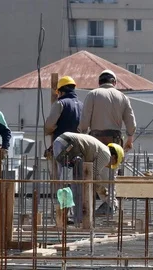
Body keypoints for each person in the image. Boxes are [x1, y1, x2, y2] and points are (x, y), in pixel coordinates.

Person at [78, 69, 136, 214]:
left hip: (96, 140)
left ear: (99, 82)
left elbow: (84, 122)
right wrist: (130, 138)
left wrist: (81, 136)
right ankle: (110, 203)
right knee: (111, 173)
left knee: (94, 172)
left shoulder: (93, 94)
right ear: (114, 82)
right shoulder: (122, 97)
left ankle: (108, 203)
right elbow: (131, 123)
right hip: (115, 141)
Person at [52, 132, 124, 214]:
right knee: (72, 182)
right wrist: (102, 190)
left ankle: (63, 215)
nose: (109, 166)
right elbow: (92, 175)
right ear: (114, 157)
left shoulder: (99, 148)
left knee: (64, 181)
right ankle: (71, 215)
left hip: (59, 141)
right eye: (113, 164)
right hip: (70, 145)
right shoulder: (106, 155)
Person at [45, 76, 83, 142]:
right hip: (78, 144)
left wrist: (47, 131)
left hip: (62, 144)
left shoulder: (60, 103)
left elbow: (49, 125)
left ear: (61, 92)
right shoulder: (82, 105)